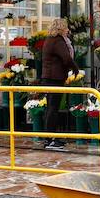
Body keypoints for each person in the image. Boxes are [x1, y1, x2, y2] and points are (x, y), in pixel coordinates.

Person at [39, 17, 78, 151]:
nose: (68, 30)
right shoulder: (57, 41)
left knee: (51, 107)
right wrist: (75, 69)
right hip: (54, 79)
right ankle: (49, 140)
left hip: (51, 77)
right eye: (66, 27)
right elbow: (66, 58)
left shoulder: (51, 40)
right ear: (61, 28)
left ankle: (51, 137)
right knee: (52, 108)